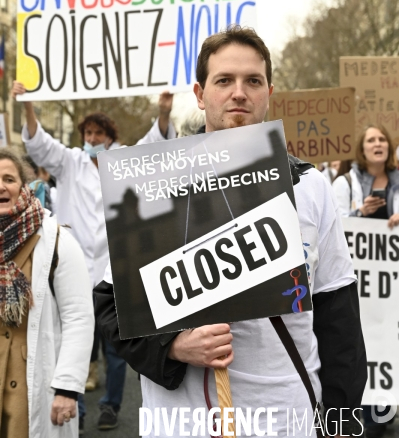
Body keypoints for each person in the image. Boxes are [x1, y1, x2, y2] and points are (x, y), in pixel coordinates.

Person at [94, 26, 367, 438]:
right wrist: (172, 347)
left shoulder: (309, 187)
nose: (239, 92)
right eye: (224, 80)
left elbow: (338, 317)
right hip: (178, 423)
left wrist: (344, 427)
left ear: (268, 92)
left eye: (252, 81)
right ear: (201, 94)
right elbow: (111, 307)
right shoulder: (149, 189)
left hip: (283, 418)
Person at [12, 82, 175, 433]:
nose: (91, 137)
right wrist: (26, 105)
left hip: (118, 269)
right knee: (76, 342)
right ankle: (78, 408)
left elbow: (155, 147)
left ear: (109, 136)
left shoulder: (125, 159)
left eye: (98, 132)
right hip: (74, 269)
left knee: (116, 348)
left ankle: (111, 405)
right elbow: (40, 145)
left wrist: (163, 113)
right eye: (87, 132)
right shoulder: (70, 162)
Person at [0, 148, 93, 437]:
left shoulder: (57, 240)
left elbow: (79, 318)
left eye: (9, 179)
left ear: (23, 186)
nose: (1, 186)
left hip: (31, 387)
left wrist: (67, 387)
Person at [333, 125, 399, 438]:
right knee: (364, 343)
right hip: (359, 285)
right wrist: (359, 212)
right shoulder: (344, 183)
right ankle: (368, 414)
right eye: (371, 139)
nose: (378, 143)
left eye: (382, 139)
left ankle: (388, 407)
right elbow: (332, 225)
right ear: (362, 147)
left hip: (391, 285)